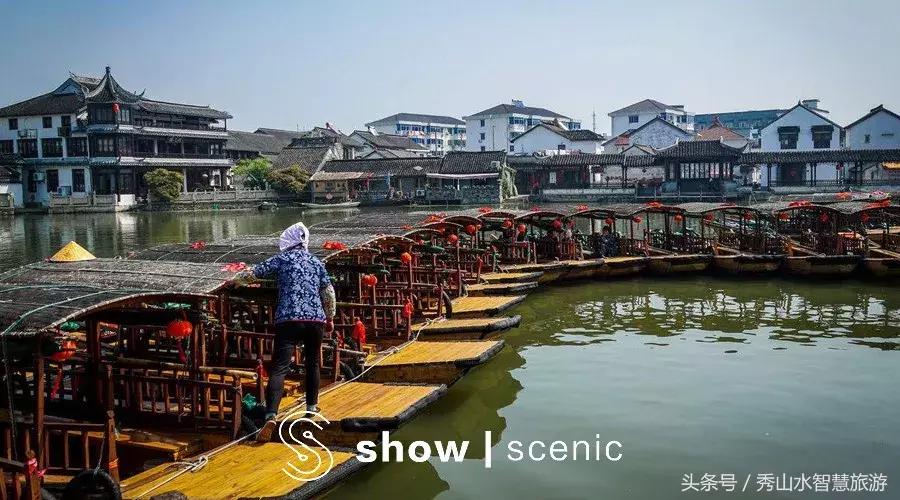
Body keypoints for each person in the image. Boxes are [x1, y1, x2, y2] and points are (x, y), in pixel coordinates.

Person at [245, 222, 336, 442]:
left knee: (279, 368)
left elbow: (253, 274)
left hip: (288, 319)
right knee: (313, 363)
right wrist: (330, 317)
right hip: (315, 320)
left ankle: (271, 414)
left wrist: (235, 280)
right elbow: (329, 293)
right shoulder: (316, 262)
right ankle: (312, 409)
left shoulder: (282, 259)